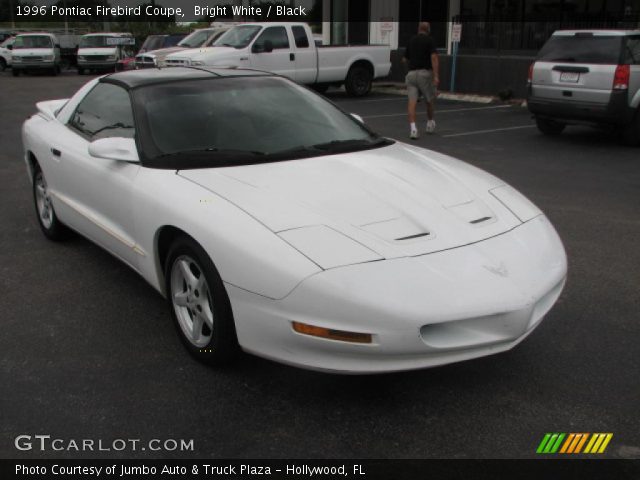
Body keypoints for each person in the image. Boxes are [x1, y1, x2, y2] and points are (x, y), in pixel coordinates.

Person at [403, 22, 440, 139]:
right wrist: (436, 76)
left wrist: (408, 70)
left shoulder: (411, 40)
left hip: (411, 74)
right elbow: (434, 57)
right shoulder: (430, 41)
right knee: (429, 99)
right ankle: (430, 123)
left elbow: (404, 59)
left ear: (418, 29)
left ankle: (413, 129)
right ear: (428, 30)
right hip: (425, 73)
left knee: (412, 102)